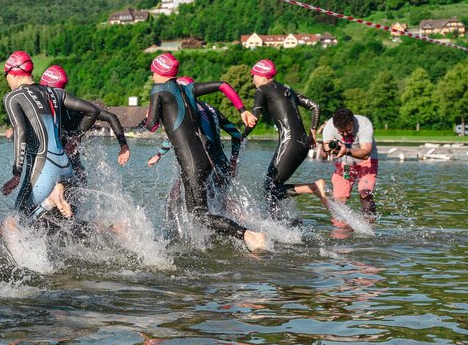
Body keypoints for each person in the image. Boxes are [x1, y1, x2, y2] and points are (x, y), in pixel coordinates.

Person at [142, 53, 267, 251]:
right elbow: (223, 85)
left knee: (199, 215)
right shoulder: (189, 89)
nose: (151, 73)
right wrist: (242, 110)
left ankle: (248, 234)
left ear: (159, 71)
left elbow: (151, 126)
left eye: (153, 70)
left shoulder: (158, 89)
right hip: (204, 161)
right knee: (198, 213)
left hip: (192, 164)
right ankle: (211, 244)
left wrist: (148, 118)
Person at [1, 51, 101, 224]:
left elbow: (21, 133)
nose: (6, 80)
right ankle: (55, 194)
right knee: (50, 225)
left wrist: (16, 174)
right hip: (66, 167)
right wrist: (75, 138)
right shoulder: (55, 93)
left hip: (43, 168)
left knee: (16, 222)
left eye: (5, 75)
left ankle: (51, 201)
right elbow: (93, 111)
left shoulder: (13, 97)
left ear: (12, 72)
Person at [240, 59, 326, 217]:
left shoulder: (262, 90)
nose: (252, 80)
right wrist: (313, 132)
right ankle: (280, 223)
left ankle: (313, 187)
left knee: (269, 187)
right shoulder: (287, 88)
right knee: (274, 187)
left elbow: (253, 120)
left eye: (253, 76)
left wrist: (240, 136)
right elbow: (315, 106)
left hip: (289, 143)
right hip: (303, 145)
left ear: (262, 75)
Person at [38, 64, 130, 188]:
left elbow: (110, 117)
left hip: (63, 167)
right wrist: (123, 146)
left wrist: (75, 137)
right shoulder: (75, 105)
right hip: (73, 169)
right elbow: (111, 117)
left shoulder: (70, 107)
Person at [147, 76, 243, 189]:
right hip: (222, 163)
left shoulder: (188, 112)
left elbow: (176, 137)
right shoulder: (212, 109)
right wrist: (233, 161)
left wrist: (159, 154)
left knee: (177, 193)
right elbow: (237, 135)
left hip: (201, 161)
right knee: (222, 202)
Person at [321, 107, 378, 216]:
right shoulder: (329, 127)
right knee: (339, 198)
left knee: (365, 192)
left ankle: (369, 224)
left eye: (348, 130)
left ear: (352, 122)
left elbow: (366, 153)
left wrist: (347, 150)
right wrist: (329, 150)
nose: (345, 134)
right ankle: (340, 229)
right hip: (346, 165)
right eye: (341, 132)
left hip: (367, 163)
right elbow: (326, 151)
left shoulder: (364, 124)